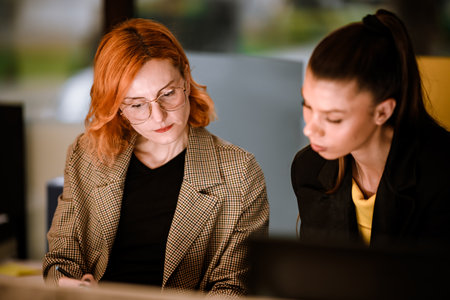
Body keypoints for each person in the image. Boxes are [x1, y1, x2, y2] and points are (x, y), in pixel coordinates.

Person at [43, 18, 269, 297]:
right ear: (117, 107)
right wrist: (70, 285)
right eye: (137, 105)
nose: (158, 116)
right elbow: (60, 261)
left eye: (168, 94)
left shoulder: (240, 172)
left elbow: (235, 287)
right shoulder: (86, 154)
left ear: (186, 79)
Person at [291, 9, 450, 248]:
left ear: (382, 112)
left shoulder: (442, 178)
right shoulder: (310, 168)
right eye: (308, 106)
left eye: (333, 118)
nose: (310, 129)